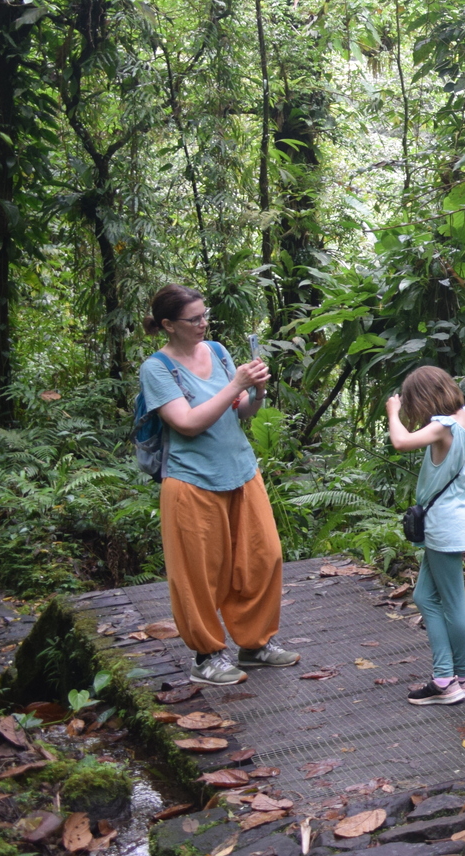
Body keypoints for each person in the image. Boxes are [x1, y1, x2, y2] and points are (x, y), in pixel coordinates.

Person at [139, 284, 300, 686]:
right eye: (193, 319)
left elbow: (241, 412)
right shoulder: (157, 369)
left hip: (241, 472)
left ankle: (256, 644)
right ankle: (207, 655)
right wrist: (236, 384)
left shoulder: (217, 351)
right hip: (191, 481)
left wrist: (257, 390)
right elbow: (187, 423)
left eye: (204, 315)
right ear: (168, 325)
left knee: (263, 559)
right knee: (199, 574)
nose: (203, 323)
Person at [386, 365, 465, 705]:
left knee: (453, 602)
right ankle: (458, 677)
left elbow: (401, 442)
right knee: (425, 596)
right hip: (458, 520)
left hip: (444, 524)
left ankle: (451, 678)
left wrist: (393, 411)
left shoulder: (444, 426)